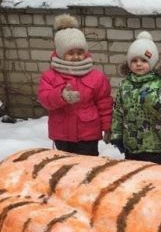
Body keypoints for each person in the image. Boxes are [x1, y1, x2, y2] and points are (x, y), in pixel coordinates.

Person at [37, 14, 112, 156]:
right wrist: (61, 95)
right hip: (62, 134)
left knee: (87, 164)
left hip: (88, 134)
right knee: (65, 164)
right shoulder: (50, 76)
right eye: (70, 53)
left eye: (80, 52)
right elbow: (45, 98)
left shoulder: (96, 77)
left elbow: (104, 103)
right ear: (60, 53)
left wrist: (108, 127)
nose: (76, 56)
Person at [109, 31, 161, 164]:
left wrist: (151, 99)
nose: (138, 64)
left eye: (144, 60)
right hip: (132, 145)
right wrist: (116, 134)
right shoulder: (125, 85)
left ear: (152, 62)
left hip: (156, 146)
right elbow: (118, 112)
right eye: (134, 60)